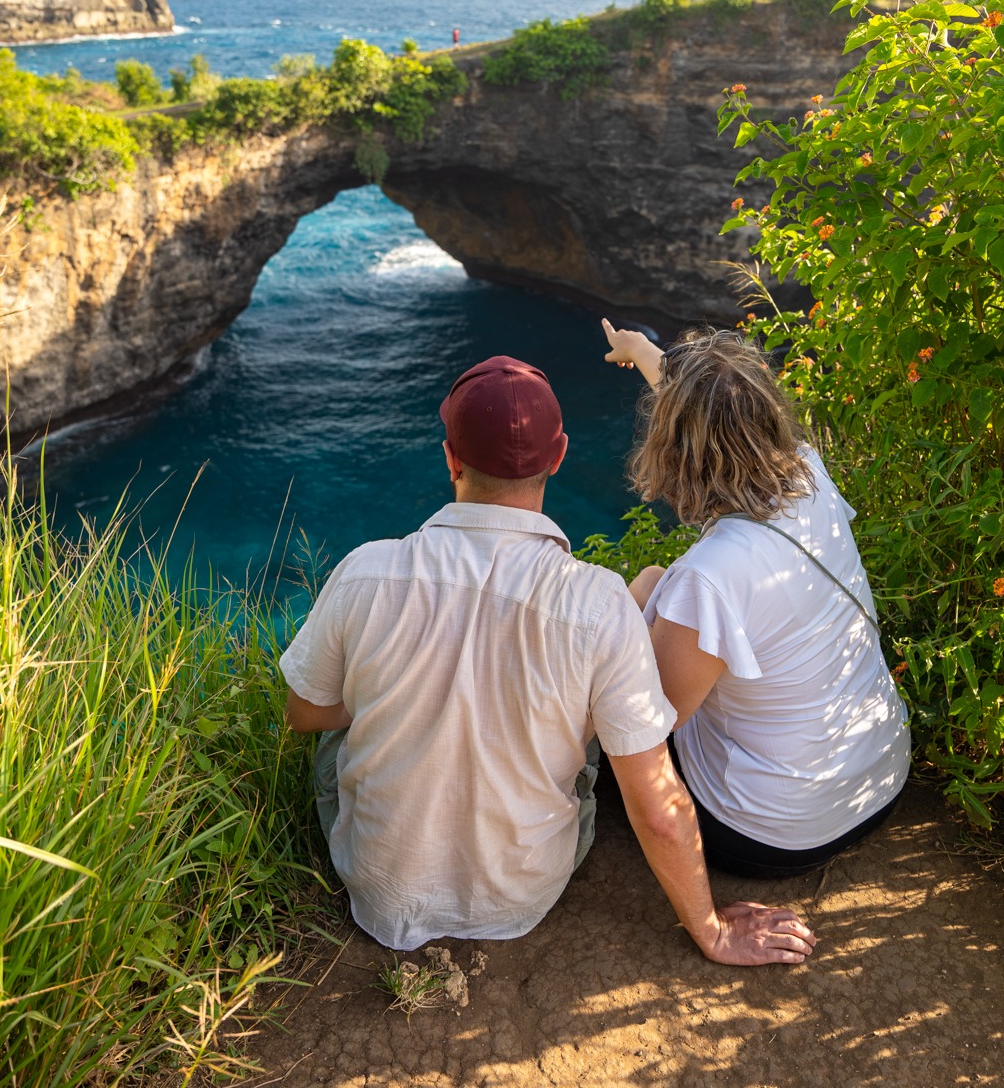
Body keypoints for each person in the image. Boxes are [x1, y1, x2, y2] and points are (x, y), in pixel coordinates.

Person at [281, 354, 816, 963]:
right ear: (558, 455)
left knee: (338, 727)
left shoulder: (366, 572)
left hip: (378, 890)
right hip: (521, 896)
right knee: (586, 711)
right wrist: (711, 930)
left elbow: (305, 712)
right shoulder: (597, 602)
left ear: (450, 458)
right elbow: (657, 804)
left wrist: (401, 690)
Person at [601, 319, 911, 878]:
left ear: (674, 448)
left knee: (640, 604)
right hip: (878, 779)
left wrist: (623, 615)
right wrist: (645, 353)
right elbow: (718, 410)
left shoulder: (712, 575)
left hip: (775, 832)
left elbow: (651, 720)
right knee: (655, 585)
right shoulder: (808, 474)